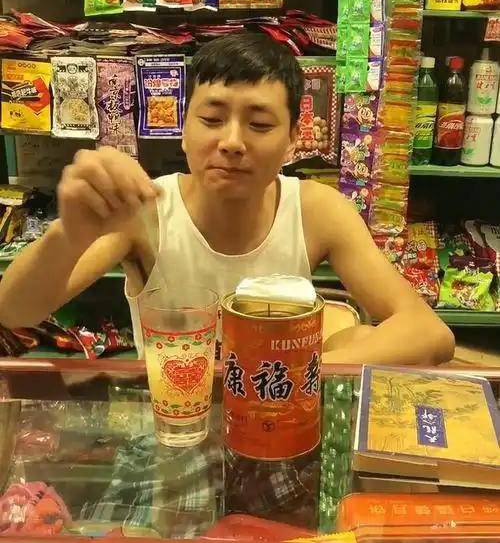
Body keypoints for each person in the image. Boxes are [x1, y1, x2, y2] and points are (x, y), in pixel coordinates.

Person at [0, 33, 454, 365]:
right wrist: (69, 235)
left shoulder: (317, 210)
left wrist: (307, 370)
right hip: (176, 425)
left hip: (273, 417)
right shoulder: (146, 209)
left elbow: (428, 332)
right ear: (183, 129)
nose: (232, 142)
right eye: (212, 119)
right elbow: (13, 311)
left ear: (293, 140)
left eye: (259, 125)